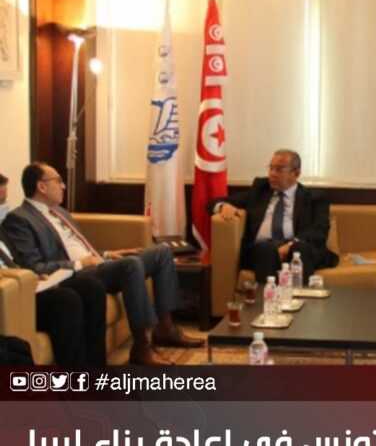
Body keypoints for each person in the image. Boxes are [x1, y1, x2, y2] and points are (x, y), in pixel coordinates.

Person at [2, 162, 203, 366]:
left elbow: (77, 247)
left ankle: (166, 328)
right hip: (77, 274)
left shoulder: (60, 212)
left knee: (162, 252)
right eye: (58, 181)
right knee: (131, 265)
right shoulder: (20, 219)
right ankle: (142, 345)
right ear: (42, 186)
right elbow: (35, 266)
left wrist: (107, 254)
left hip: (96, 263)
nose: (63, 186)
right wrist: (80, 263)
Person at [0, 173, 106, 366]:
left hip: (29, 285)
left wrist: (32, 277)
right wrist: (24, 279)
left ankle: (97, 370)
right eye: (1, 204)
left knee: (90, 287)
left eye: (4, 202)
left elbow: (18, 262)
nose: (4, 210)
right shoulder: (18, 220)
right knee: (66, 300)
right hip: (10, 299)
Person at [210, 149, 338, 285]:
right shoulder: (260, 190)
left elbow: (319, 231)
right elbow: (212, 202)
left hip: (296, 248)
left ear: (296, 173)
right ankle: (268, 297)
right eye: (271, 168)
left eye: (279, 169)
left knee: (300, 249)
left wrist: (290, 245)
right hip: (262, 250)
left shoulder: (314, 197)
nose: (272, 173)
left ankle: (300, 297)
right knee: (266, 249)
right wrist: (223, 206)